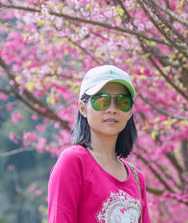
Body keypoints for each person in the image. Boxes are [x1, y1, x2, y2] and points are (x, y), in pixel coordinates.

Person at [48, 65, 151, 223]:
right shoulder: (74, 161)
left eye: (122, 102)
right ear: (83, 109)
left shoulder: (137, 178)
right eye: (102, 101)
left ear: (130, 112)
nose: (112, 109)